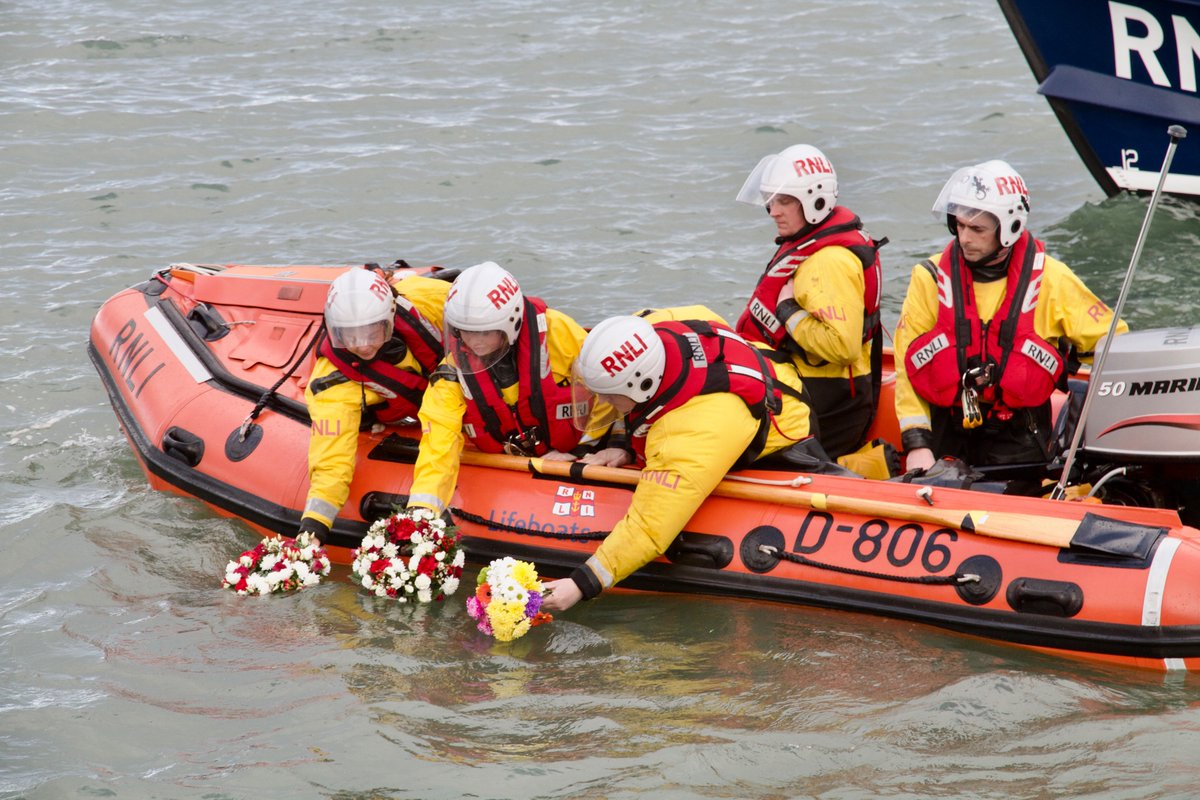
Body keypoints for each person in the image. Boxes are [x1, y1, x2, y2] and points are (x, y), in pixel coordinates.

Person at [540, 312, 816, 611]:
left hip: (786, 433)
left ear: (640, 385)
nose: (603, 403)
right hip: (769, 375)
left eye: (609, 396)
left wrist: (580, 584)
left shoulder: (690, 431)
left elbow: (650, 528)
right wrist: (623, 443)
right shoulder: (653, 329)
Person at [893, 159, 1128, 480]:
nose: (964, 238)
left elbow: (1115, 345)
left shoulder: (1052, 279)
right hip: (947, 428)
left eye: (976, 229)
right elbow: (908, 366)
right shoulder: (929, 278)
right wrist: (917, 442)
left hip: (1020, 434)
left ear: (1009, 229)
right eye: (959, 226)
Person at [733, 144, 886, 459]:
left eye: (784, 201)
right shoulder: (810, 246)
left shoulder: (827, 262)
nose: (773, 210)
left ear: (815, 201)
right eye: (772, 200)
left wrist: (788, 312)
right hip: (812, 394)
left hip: (826, 405)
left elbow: (842, 347)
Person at [405, 262, 589, 516]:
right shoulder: (452, 371)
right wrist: (422, 510)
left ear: (511, 323)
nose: (475, 341)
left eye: (484, 332)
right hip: (505, 462)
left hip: (576, 450)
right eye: (465, 332)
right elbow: (438, 440)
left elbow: (608, 385)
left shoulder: (558, 333)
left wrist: (589, 449)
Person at [298, 266, 451, 542]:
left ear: (389, 319)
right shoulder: (333, 381)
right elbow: (332, 459)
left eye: (371, 332)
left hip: (451, 389)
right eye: (349, 335)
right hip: (414, 410)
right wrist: (313, 529)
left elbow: (480, 321)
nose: (363, 345)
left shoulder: (425, 297)